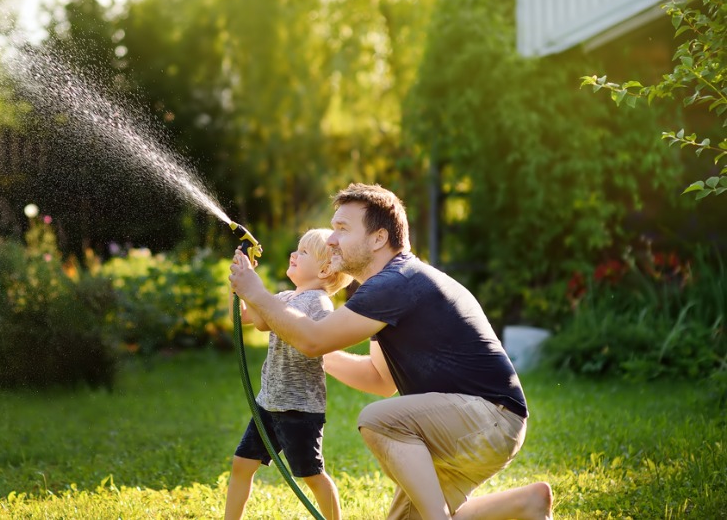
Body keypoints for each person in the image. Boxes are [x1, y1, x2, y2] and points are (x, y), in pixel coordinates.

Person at [228, 183, 553, 520]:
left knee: (377, 419)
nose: (331, 239)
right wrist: (311, 351)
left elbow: (314, 340)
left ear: (378, 238)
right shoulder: (387, 286)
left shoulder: (395, 281)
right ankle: (525, 503)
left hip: (487, 418)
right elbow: (379, 380)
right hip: (465, 425)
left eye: (342, 229)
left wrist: (258, 294)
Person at [224, 228, 354, 520]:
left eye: (303, 252)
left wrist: (254, 290)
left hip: (299, 409)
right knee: (241, 464)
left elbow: (307, 340)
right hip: (269, 403)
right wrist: (239, 284)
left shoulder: (318, 303)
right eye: (297, 249)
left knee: (311, 475)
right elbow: (245, 318)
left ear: (324, 270)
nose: (294, 254)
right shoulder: (284, 296)